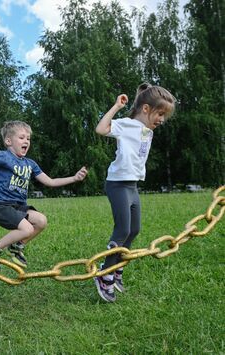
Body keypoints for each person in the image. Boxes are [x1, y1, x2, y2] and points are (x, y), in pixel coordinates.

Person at [0, 121, 88, 274]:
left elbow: (50, 181)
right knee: (27, 228)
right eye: (22, 137)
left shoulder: (30, 164)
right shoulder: (3, 156)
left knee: (41, 221)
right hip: (0, 205)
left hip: (18, 206)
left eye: (28, 138)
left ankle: (16, 246)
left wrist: (74, 178)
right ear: (8, 141)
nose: (26, 141)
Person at [94, 83, 176, 302]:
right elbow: (101, 129)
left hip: (132, 185)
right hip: (118, 184)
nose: (162, 120)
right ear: (147, 109)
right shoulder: (127, 125)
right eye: (160, 114)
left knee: (134, 229)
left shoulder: (147, 130)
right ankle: (105, 274)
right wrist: (115, 107)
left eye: (165, 116)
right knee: (122, 230)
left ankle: (117, 267)